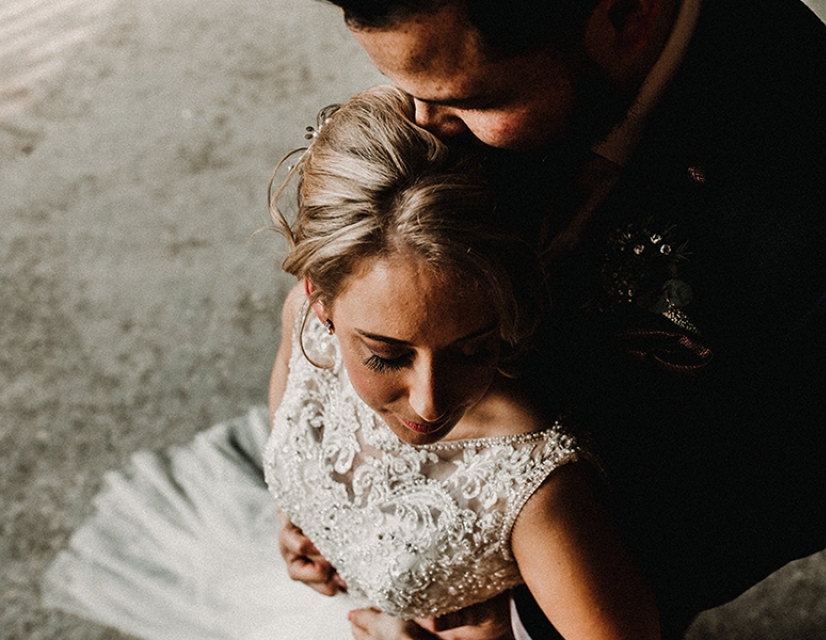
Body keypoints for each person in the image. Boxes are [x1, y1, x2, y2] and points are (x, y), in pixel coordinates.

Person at [278, 1, 826, 638]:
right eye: (405, 86)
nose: (423, 125)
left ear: (630, 15)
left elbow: (784, 497)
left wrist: (513, 602)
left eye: (473, 99)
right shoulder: (445, 73)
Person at [264, 84, 662, 640]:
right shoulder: (304, 317)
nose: (430, 401)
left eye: (474, 349)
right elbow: (289, 415)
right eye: (385, 354)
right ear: (320, 299)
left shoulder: (537, 488)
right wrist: (296, 518)